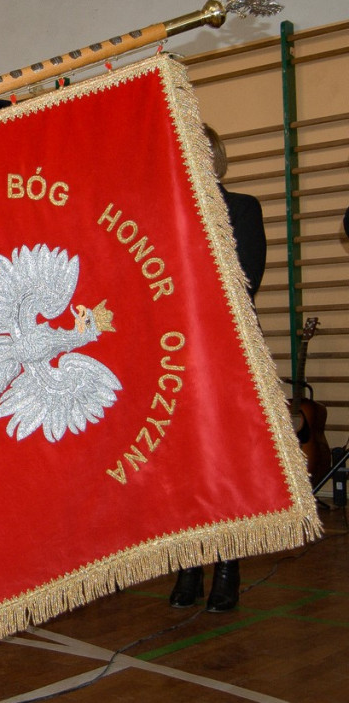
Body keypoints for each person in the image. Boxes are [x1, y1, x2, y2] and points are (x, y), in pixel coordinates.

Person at [169, 124, 266, 614]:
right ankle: (189, 565)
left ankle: (228, 567)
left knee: (224, 465)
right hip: (177, 356)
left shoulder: (243, 209)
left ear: (215, 156)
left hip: (226, 354)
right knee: (185, 466)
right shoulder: (167, 211)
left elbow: (245, 281)